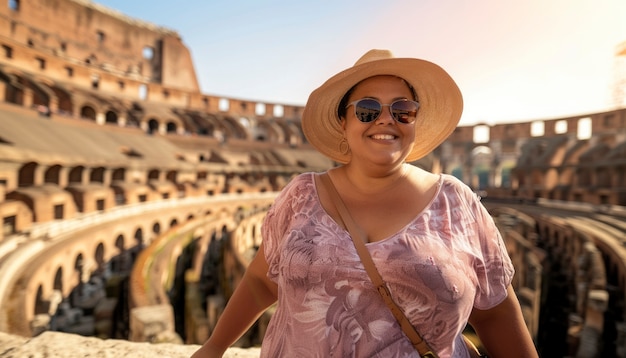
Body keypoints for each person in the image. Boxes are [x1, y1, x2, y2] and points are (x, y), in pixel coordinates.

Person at [191, 49, 538, 358]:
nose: (386, 119)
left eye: (403, 110)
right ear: (344, 121)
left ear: (414, 121)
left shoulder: (457, 202)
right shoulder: (300, 196)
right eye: (368, 109)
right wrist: (214, 347)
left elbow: (496, 312)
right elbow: (261, 280)